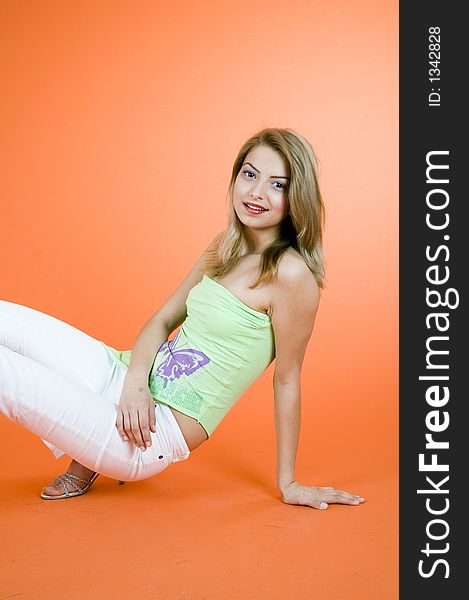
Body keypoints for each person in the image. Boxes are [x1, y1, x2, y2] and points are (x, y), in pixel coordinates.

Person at [0, 127, 364, 510]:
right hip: (123, 380)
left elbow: (288, 378)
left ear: (296, 198)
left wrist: (289, 483)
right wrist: (135, 383)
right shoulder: (223, 247)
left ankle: (95, 448)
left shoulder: (291, 276)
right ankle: (88, 451)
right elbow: (160, 321)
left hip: (149, 436)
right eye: (250, 174)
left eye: (277, 184)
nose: (256, 192)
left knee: (7, 371)